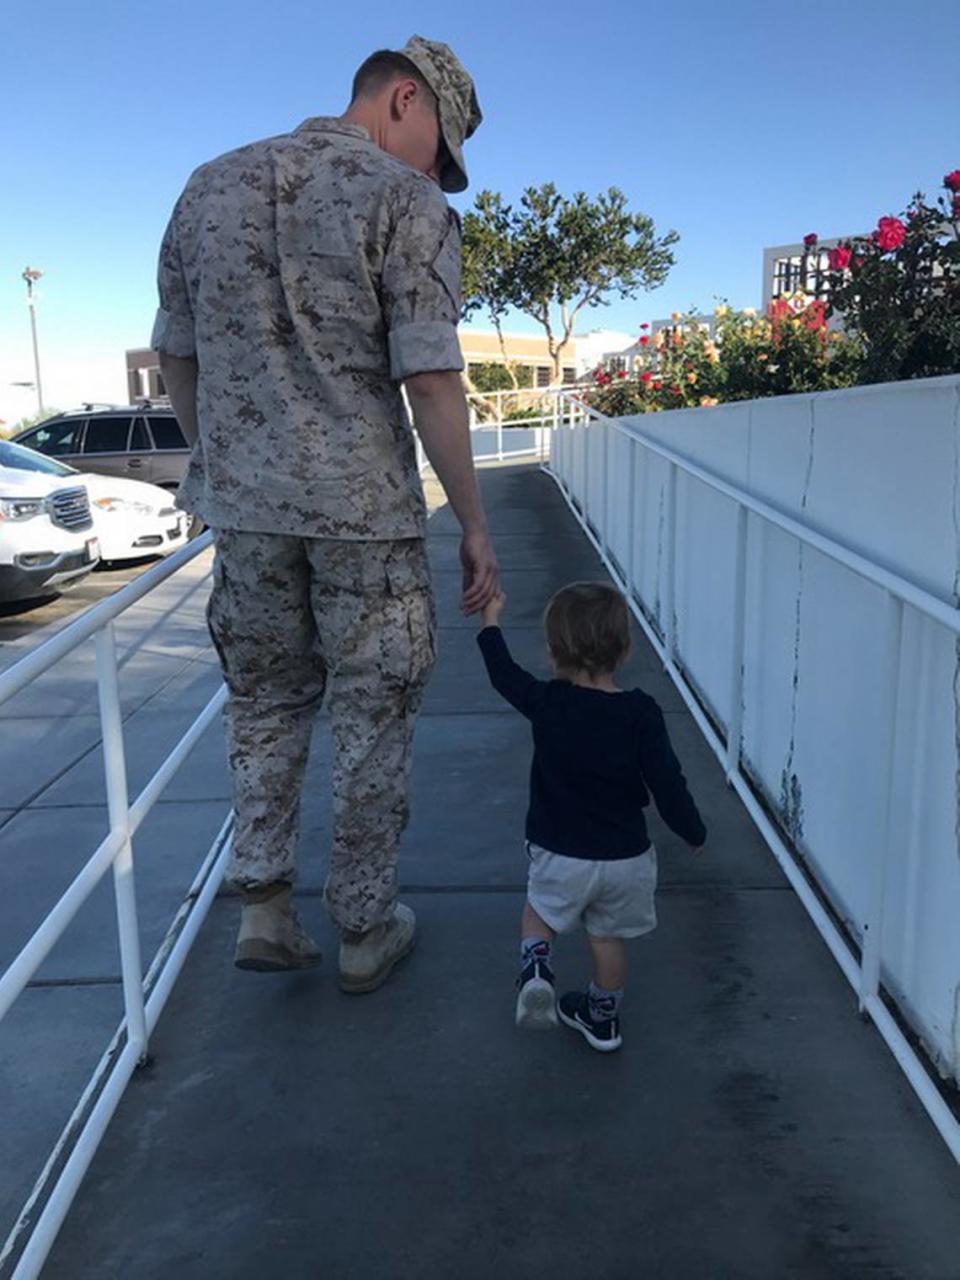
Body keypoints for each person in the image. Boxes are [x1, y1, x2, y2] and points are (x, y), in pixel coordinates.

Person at [152, 37, 498, 994]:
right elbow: (430, 378)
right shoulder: (404, 201)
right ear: (404, 99)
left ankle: (264, 907)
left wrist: (225, 466)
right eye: (442, 146)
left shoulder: (206, 188)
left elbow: (177, 361)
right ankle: (362, 926)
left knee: (264, 702)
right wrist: (473, 523)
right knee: (373, 712)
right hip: (365, 519)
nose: (439, 171)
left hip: (250, 518)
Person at [476, 583, 706, 1052]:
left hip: (560, 851)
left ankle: (537, 968)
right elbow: (667, 782)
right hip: (626, 859)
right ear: (624, 650)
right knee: (607, 938)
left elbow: (503, 676)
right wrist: (692, 830)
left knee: (538, 914)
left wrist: (491, 621)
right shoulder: (641, 713)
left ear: (552, 651)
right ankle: (603, 1019)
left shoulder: (548, 703)